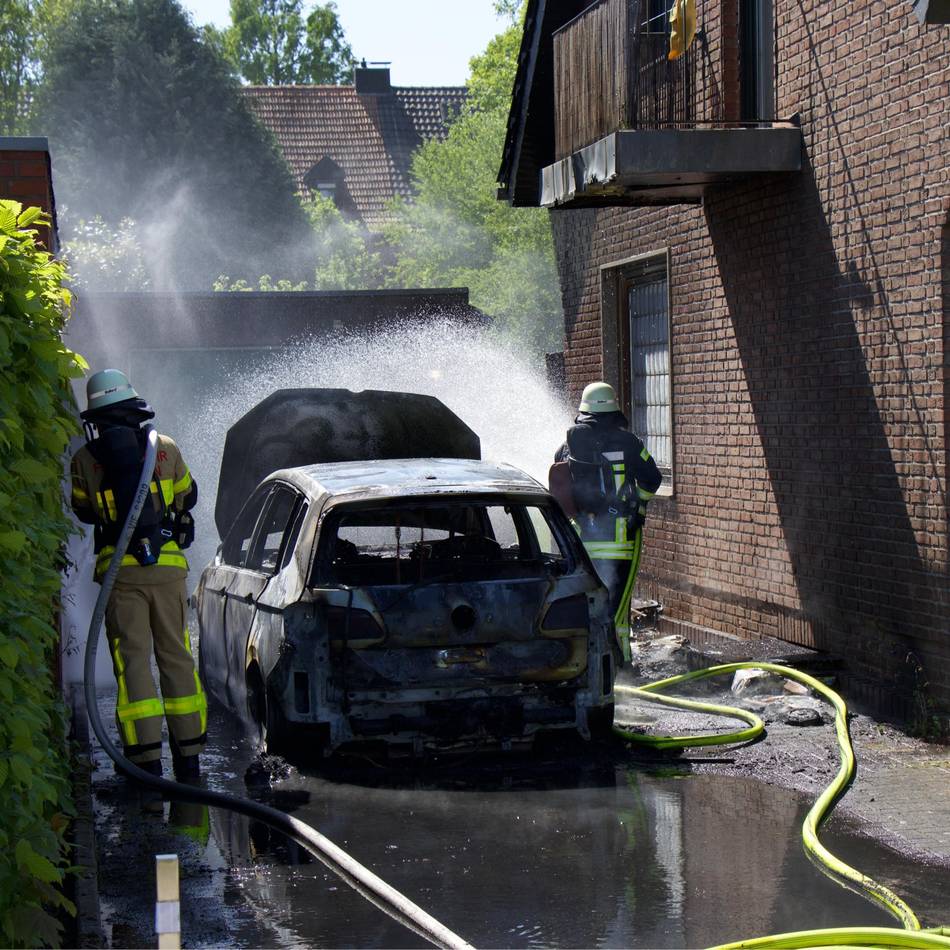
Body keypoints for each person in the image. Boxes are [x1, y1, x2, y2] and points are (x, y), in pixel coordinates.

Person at [70, 369, 206, 783]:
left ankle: (145, 760)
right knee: (176, 656)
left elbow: (84, 511)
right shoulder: (165, 447)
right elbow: (188, 496)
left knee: (133, 663)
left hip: (120, 575)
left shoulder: (84, 460)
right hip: (168, 570)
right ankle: (189, 758)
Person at [552, 382, 662, 661]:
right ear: (614, 409)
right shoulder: (629, 443)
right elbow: (653, 478)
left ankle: (584, 664)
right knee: (617, 608)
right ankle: (620, 667)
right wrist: (637, 507)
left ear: (584, 410)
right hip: (621, 539)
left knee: (585, 605)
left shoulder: (567, 447)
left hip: (581, 541)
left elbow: (560, 487)